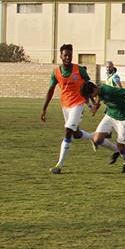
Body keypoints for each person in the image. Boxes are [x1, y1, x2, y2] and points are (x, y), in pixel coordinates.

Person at [41, 43, 95, 174]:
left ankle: (59, 165)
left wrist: (92, 103)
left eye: (70, 55)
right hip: (65, 106)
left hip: (78, 104)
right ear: (60, 56)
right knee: (75, 134)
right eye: (65, 55)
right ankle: (94, 137)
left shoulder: (79, 70)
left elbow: (89, 86)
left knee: (67, 131)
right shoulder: (56, 72)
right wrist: (44, 109)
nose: (67, 57)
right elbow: (50, 90)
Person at [82, 80, 125, 173]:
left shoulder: (109, 90)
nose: (91, 97)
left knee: (121, 145)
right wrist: (94, 107)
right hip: (110, 115)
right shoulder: (98, 90)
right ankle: (117, 150)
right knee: (97, 139)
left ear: (94, 89)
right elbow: (98, 100)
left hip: (123, 117)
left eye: (91, 95)